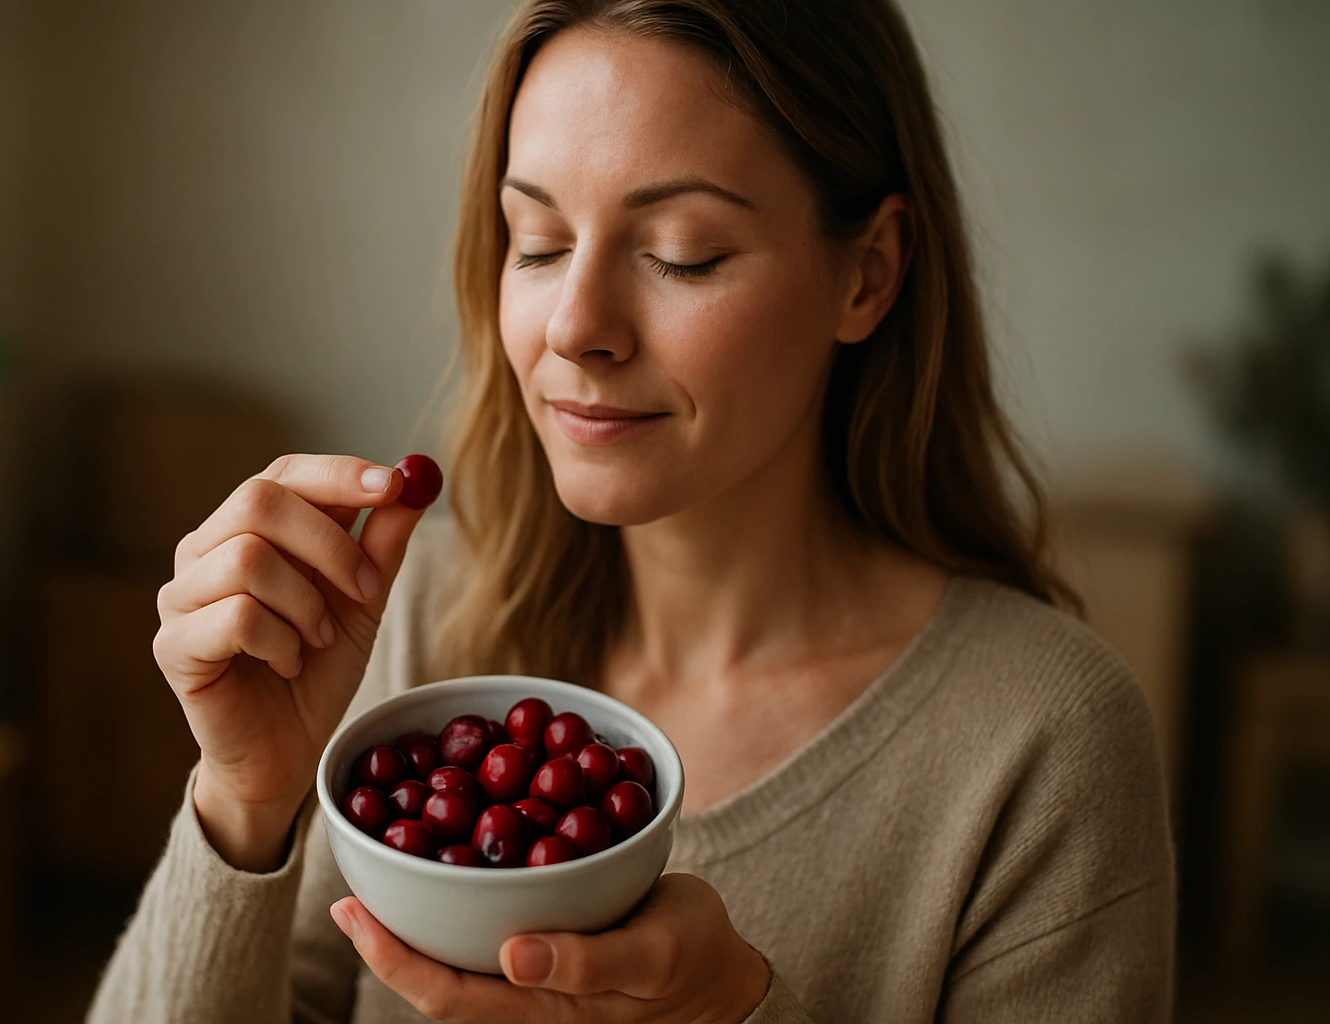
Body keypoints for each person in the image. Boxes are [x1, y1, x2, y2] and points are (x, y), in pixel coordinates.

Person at [88, 1, 1175, 1021]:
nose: (575, 327)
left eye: (679, 253)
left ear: (869, 275)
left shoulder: (1043, 744)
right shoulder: (409, 619)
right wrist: (244, 800)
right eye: (539, 242)